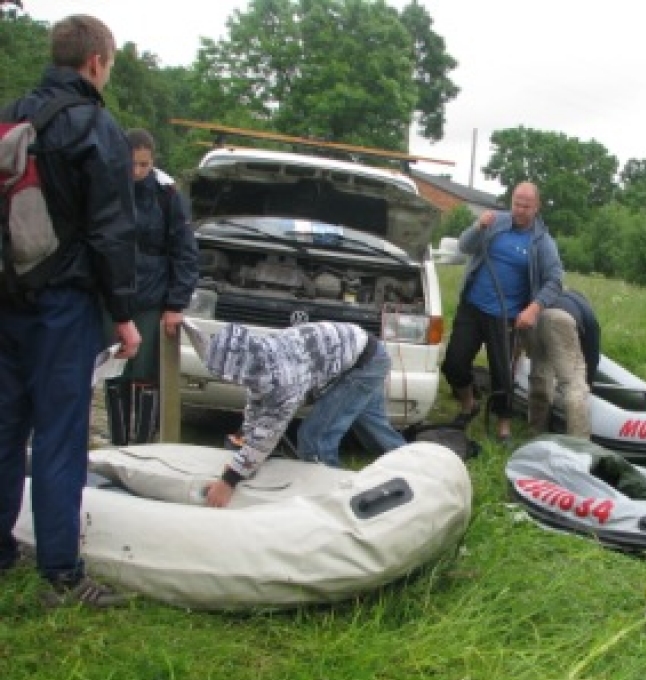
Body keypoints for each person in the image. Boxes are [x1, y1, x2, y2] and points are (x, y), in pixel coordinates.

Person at [0, 15, 140, 607]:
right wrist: (125, 314)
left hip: (7, 297)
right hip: (64, 304)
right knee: (59, 436)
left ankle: (3, 553)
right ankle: (61, 573)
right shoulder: (94, 126)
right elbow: (111, 230)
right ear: (96, 61)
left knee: (5, 429)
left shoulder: (14, 115)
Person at [186, 321, 405, 508]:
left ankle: (339, 504)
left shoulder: (284, 379)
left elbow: (268, 435)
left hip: (365, 364)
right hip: (363, 351)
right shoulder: (258, 355)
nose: (228, 379)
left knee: (315, 438)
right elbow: (256, 401)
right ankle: (416, 464)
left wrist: (229, 481)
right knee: (375, 428)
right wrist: (246, 437)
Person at [441, 182, 564, 443]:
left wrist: (534, 308)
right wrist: (478, 226)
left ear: (537, 207)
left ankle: (503, 427)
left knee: (503, 374)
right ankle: (469, 404)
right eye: (516, 203)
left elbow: (554, 281)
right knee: (453, 363)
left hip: (507, 317)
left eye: (526, 206)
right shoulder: (495, 223)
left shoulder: (542, 242)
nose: (520, 210)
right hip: (472, 307)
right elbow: (464, 246)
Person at [104, 128, 198, 445]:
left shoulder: (166, 193)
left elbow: (184, 251)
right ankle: (117, 444)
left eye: (143, 165)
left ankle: (143, 444)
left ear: (152, 162)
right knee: (115, 372)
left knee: (145, 373)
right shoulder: (106, 185)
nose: (137, 172)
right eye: (131, 164)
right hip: (112, 294)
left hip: (150, 295)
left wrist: (175, 304)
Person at [524, 289, 601, 438]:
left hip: (534, 316)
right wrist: (589, 381)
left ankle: (536, 431)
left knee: (540, 375)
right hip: (559, 320)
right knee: (573, 384)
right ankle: (578, 443)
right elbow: (592, 352)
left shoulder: (552, 295)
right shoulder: (586, 310)